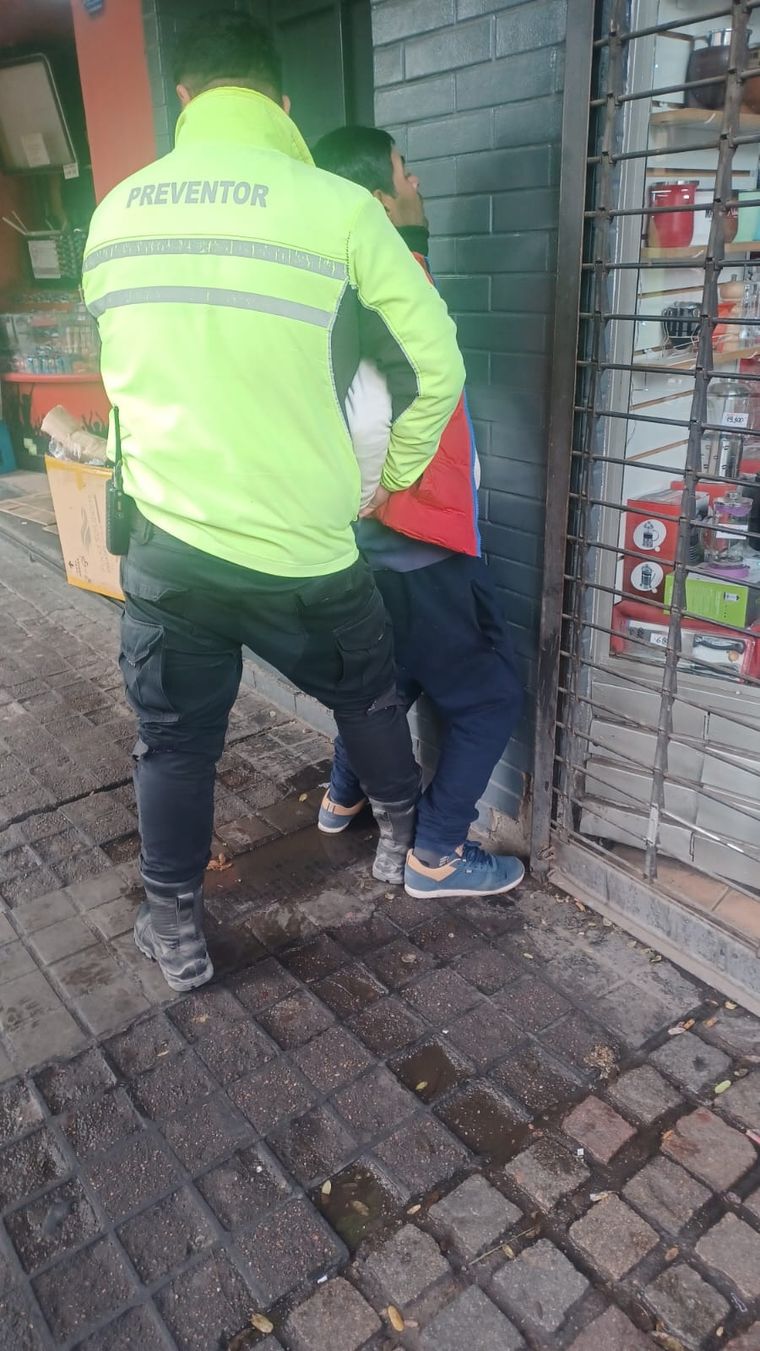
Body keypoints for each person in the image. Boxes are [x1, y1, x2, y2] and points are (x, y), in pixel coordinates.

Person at [81, 15, 464, 992]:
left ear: (185, 98)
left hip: (172, 545)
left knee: (174, 742)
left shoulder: (117, 210)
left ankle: (173, 926)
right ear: (282, 104)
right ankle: (399, 841)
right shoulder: (337, 205)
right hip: (307, 551)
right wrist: (394, 471)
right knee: (367, 694)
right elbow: (436, 360)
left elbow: (126, 374)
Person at [312, 126, 525, 901]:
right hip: (419, 538)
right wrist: (380, 484)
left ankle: (344, 795)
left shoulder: (328, 281)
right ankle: (435, 852)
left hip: (376, 547)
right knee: (489, 695)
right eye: (405, 172)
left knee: (388, 677)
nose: (417, 183)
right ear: (376, 198)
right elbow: (370, 408)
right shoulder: (388, 278)